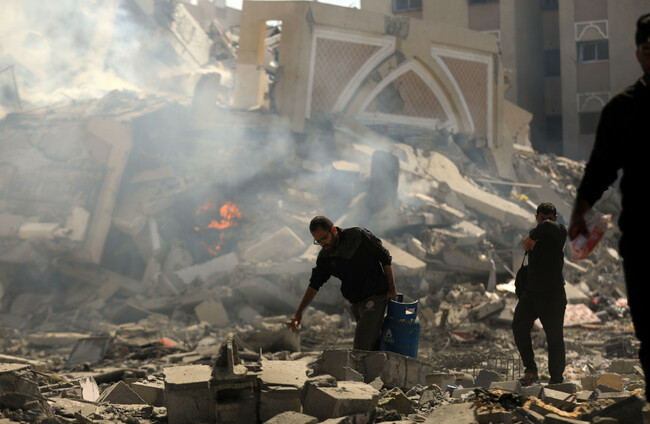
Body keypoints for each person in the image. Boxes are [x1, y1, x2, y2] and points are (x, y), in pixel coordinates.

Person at [568, 13, 650, 401]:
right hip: (643, 238)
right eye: (648, 48)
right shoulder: (623, 109)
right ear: (637, 53)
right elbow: (600, 168)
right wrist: (579, 212)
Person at [289, 216, 398, 350]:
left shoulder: (357, 235)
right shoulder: (325, 257)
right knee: (373, 346)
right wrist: (299, 312)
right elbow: (314, 285)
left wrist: (392, 290)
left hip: (375, 296)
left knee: (361, 347)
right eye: (318, 241)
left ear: (334, 230)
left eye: (324, 238)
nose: (322, 243)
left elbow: (385, 257)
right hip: (356, 303)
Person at [512, 202, 567, 385]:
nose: (544, 222)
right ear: (536, 218)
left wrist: (534, 234)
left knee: (555, 339)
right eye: (541, 219)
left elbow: (549, 227)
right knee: (519, 327)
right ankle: (530, 369)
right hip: (532, 294)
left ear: (555, 219)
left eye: (549, 219)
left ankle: (556, 380)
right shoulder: (535, 234)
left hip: (553, 296)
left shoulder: (559, 232)